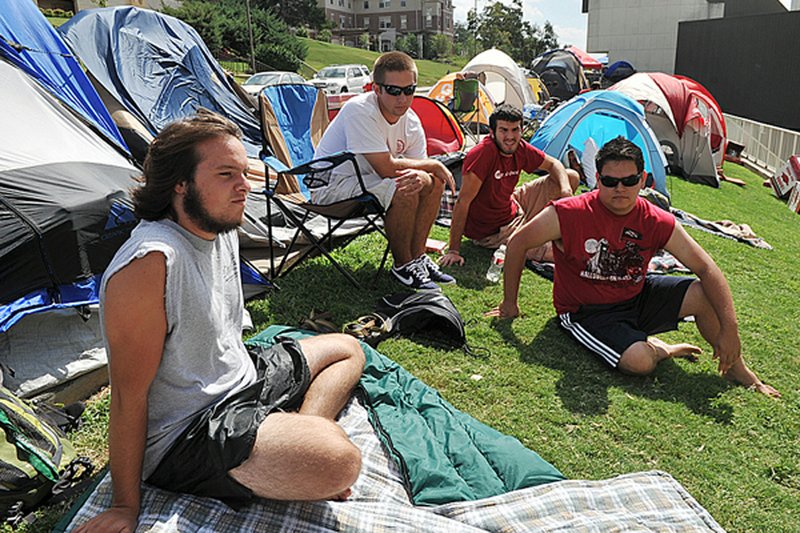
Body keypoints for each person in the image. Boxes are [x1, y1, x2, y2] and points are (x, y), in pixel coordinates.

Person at [76, 110, 366, 532]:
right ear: (180, 184)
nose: (245, 186)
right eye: (227, 174)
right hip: (189, 431)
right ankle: (297, 440)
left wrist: (300, 440)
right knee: (341, 461)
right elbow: (127, 396)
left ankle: (301, 429)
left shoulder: (219, 226)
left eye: (244, 172)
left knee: (347, 349)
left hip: (240, 378)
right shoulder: (151, 263)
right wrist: (124, 506)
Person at [488, 137, 780, 398]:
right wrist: (509, 304)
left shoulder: (655, 219)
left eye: (629, 181)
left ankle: (735, 368)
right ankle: (660, 348)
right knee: (640, 362)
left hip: (635, 296)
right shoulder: (568, 213)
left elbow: (707, 268)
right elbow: (517, 244)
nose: (620, 189)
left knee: (703, 293)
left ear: (643, 181)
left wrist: (731, 330)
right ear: (597, 180)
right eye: (610, 181)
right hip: (586, 313)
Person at [313, 51, 456, 290]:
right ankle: (403, 265)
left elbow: (420, 175)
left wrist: (430, 173)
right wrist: (432, 164)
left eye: (409, 90)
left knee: (432, 181)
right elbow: (386, 168)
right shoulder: (359, 110)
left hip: (367, 181)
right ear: (376, 89)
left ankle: (418, 258)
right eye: (394, 90)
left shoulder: (410, 120)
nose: (403, 98)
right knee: (405, 186)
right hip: (331, 186)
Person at [439, 104, 579, 267]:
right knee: (556, 252)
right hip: (494, 230)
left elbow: (553, 164)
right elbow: (463, 202)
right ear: (492, 132)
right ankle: (543, 234)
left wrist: (565, 191)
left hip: (513, 204)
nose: (510, 136)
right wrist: (453, 251)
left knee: (571, 177)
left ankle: (544, 227)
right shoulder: (483, 154)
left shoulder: (519, 147)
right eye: (504, 130)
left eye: (515, 130)